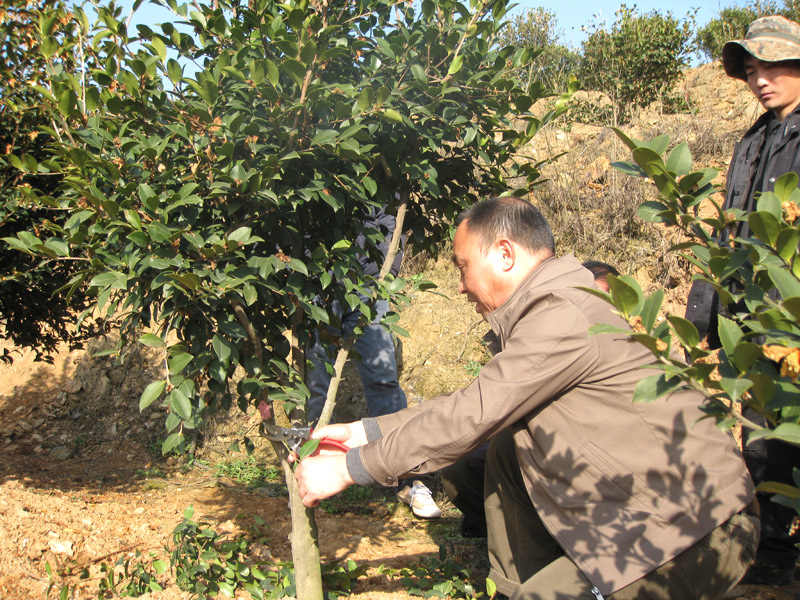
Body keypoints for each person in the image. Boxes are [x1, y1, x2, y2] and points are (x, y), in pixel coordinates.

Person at [295, 197, 758, 600]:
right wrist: (363, 431)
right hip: (641, 507)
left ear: (504, 254)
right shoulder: (551, 305)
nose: (459, 285)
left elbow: (471, 416)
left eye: (462, 266)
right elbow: (475, 401)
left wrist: (349, 468)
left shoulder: (563, 314)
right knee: (503, 450)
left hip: (698, 526)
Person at [685, 14, 800, 586]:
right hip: (749, 316)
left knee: (777, 433)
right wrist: (704, 306)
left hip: (790, 315)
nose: (762, 79)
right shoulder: (753, 141)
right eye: (753, 69)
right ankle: (771, 549)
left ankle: (775, 552)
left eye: (774, 65)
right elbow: (726, 232)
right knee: (760, 432)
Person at [442, 259, 621, 540]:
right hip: (536, 439)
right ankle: (509, 537)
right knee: (467, 463)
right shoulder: (550, 329)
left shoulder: (632, 351)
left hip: (592, 463)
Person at [305, 206, 441, 519]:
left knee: (384, 378)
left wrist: (385, 273)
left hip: (369, 288)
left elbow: (393, 218)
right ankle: (312, 467)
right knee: (318, 380)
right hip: (319, 285)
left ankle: (408, 478)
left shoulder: (387, 168)